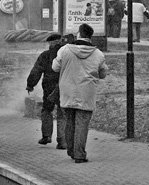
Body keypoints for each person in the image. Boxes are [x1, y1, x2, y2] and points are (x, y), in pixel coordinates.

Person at [52, 23, 107, 163]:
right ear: (90, 36)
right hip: (86, 93)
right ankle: (79, 154)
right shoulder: (98, 54)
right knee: (82, 123)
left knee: (69, 122)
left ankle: (71, 150)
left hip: (67, 91)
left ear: (79, 34)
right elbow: (103, 74)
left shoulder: (65, 50)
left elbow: (55, 67)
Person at [26, 33, 67, 149]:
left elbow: (36, 71)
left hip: (49, 87)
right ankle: (62, 141)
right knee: (62, 112)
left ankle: (46, 136)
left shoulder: (45, 55)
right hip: (64, 86)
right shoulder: (68, 54)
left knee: (47, 110)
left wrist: (30, 84)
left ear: (52, 43)